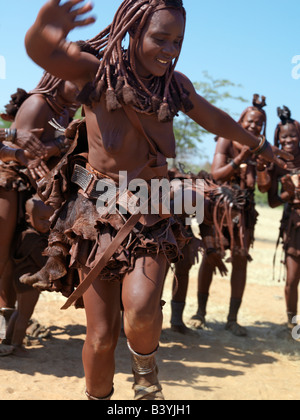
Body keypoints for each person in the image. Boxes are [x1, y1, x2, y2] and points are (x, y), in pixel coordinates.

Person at [24, 0, 290, 400]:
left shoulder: (175, 86)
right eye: (160, 38)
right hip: (95, 215)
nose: (170, 49)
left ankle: (147, 380)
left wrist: (259, 145)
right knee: (99, 338)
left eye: (178, 40)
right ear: (132, 31)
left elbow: (215, 118)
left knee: (142, 307)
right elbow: (44, 54)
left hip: (151, 210)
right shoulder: (95, 73)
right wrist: (41, 30)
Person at [0, 76, 79, 341]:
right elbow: (26, 154)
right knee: (1, 254)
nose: (85, 87)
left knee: (21, 260)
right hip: (12, 178)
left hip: (42, 185)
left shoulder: (68, 110)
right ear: (59, 75)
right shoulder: (38, 104)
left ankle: (13, 327)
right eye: (78, 79)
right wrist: (58, 145)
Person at [190, 95, 269, 337]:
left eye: (259, 123)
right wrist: (241, 158)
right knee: (211, 255)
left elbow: (264, 188)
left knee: (241, 258)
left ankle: (233, 319)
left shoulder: (259, 149)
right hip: (219, 208)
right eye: (250, 121)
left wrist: (262, 166)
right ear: (241, 120)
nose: (253, 126)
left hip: (243, 212)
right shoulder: (226, 139)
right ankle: (200, 313)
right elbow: (217, 174)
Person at [0, 195, 54, 357]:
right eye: (42, 219)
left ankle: (8, 341)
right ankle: (17, 345)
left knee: (18, 312)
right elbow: (43, 262)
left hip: (20, 280)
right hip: (29, 282)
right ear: (28, 218)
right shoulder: (34, 240)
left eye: (50, 219)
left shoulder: (23, 234)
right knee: (25, 315)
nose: (47, 223)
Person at [265, 107, 300, 330]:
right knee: (292, 279)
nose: (288, 140)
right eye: (284, 136)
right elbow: (272, 201)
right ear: (278, 138)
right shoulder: (277, 164)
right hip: (293, 226)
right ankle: (292, 323)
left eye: (293, 135)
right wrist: (287, 194)